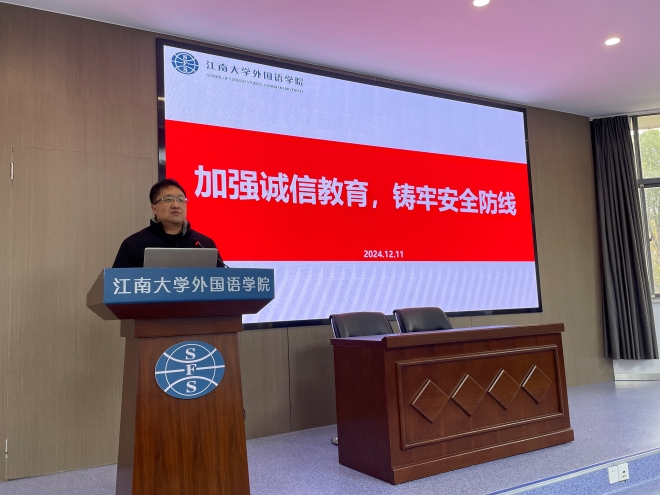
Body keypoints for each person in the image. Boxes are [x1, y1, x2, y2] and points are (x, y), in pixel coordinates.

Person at [112, 178, 223, 268]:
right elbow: (118, 284)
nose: (176, 205)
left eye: (181, 200)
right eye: (168, 199)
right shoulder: (133, 244)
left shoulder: (204, 244)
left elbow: (222, 281)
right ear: (154, 208)